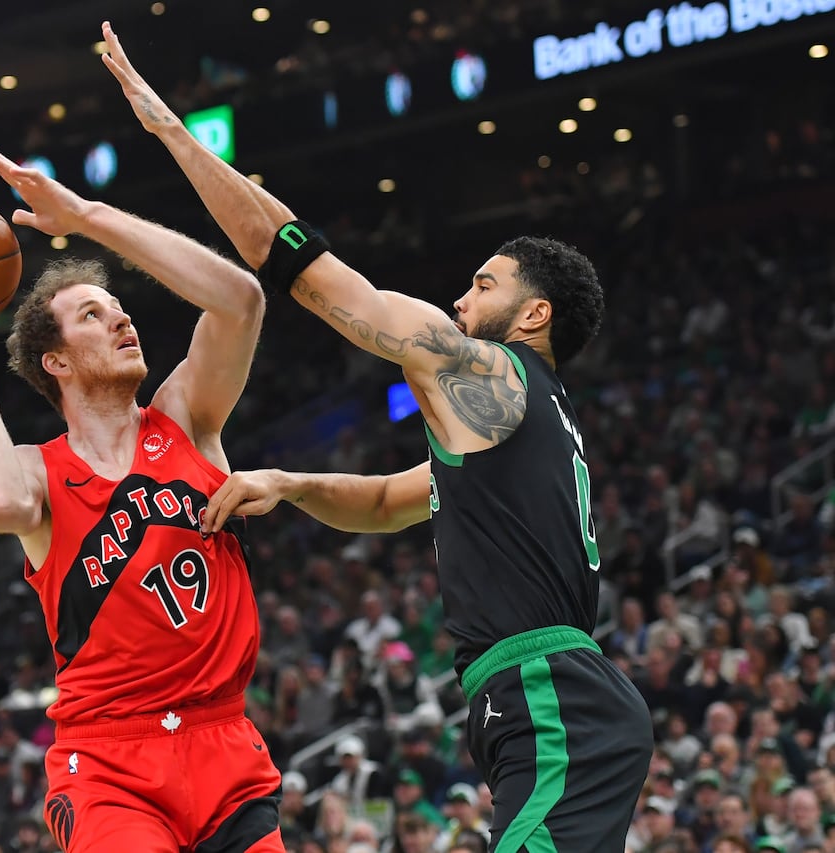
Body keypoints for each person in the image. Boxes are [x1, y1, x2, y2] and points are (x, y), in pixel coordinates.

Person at [99, 20, 654, 851]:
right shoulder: (516, 425)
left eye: (483, 283)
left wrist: (170, 131)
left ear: (533, 314)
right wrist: (291, 482)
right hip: (541, 698)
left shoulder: (486, 373)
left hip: (549, 693)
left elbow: (298, 267)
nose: (461, 300)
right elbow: (394, 502)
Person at [0, 140, 281, 852]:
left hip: (226, 744)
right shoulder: (40, 471)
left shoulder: (188, 417)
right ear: (56, 360)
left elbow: (241, 299)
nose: (123, 320)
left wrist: (88, 216)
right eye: (94, 315)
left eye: (121, 307)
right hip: (108, 764)